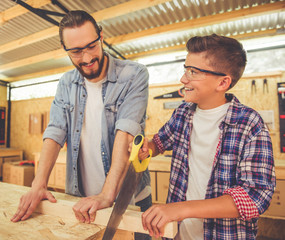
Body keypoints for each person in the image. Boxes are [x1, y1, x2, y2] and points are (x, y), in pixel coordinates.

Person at [11, 10, 151, 240]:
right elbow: (55, 132)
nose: (86, 58)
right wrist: (39, 184)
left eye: (91, 46)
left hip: (129, 198)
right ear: (65, 49)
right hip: (81, 198)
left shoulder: (133, 75)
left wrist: (108, 194)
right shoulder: (67, 83)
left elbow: (125, 133)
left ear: (102, 37)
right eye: (76, 51)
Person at [135, 34, 275, 239]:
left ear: (222, 83)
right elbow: (159, 142)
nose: (183, 79)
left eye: (193, 72)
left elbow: (254, 198)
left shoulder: (249, 124)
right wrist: (147, 148)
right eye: (185, 69)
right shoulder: (184, 113)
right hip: (181, 233)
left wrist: (179, 209)